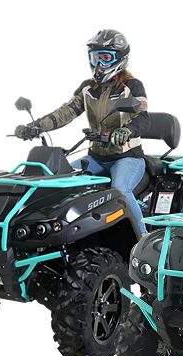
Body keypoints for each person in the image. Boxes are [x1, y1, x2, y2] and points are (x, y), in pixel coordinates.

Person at [14, 28, 150, 236]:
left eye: (106, 58)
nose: (100, 64)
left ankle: (142, 239)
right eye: (96, 58)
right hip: (95, 157)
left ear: (120, 58)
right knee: (58, 180)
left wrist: (126, 131)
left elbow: (143, 117)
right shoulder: (87, 87)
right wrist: (36, 126)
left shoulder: (132, 85)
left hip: (127, 157)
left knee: (121, 190)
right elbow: (65, 112)